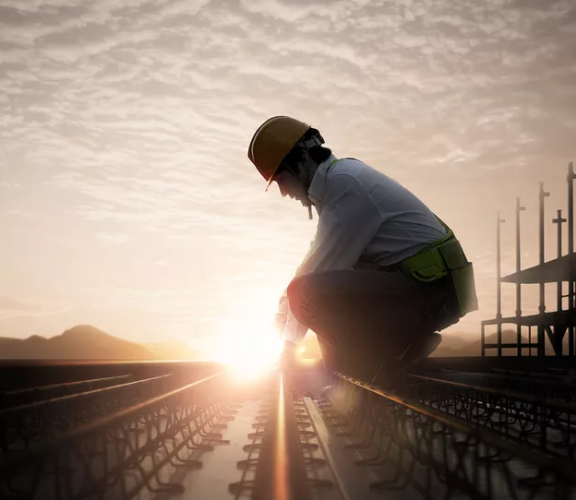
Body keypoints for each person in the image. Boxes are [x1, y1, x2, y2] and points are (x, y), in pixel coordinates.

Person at [247, 116, 478, 383]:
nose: (284, 193)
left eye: (281, 181)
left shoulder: (346, 187)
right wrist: (279, 324)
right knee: (317, 306)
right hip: (426, 288)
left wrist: (288, 349)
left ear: (300, 160)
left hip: (432, 292)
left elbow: (314, 277)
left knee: (307, 293)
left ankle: (392, 351)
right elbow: (310, 264)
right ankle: (384, 355)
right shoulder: (338, 184)